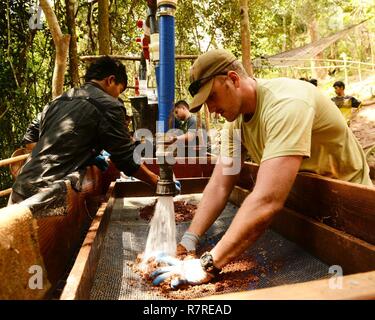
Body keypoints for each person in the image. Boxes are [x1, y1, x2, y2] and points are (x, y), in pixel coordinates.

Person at [150, 49, 372, 289]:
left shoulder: (286, 104)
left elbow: (267, 199)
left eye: (212, 97)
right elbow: (221, 183)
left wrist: (207, 265)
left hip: (353, 219)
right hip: (305, 212)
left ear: (233, 79)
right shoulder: (235, 123)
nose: (211, 109)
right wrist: (188, 242)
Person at [8, 56, 159, 205]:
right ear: (110, 80)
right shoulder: (108, 105)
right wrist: (157, 182)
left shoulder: (59, 100)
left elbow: (30, 138)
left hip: (21, 187)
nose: (117, 96)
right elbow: (126, 158)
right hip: (47, 195)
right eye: (119, 91)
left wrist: (77, 154)